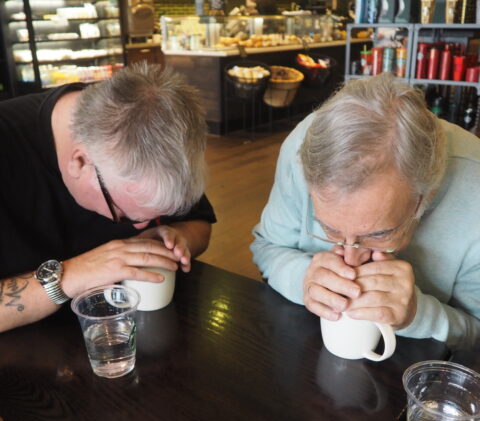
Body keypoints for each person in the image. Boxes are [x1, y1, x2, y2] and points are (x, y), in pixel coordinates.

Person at [251, 73, 480, 350]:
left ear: (427, 196)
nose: (350, 258)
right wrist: (304, 278)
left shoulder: (474, 190)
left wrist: (418, 315)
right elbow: (266, 245)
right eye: (330, 229)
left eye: (380, 233)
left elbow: (475, 335)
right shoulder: (302, 149)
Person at [0, 62, 216, 332]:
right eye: (125, 214)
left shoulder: (156, 136)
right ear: (79, 162)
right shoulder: (10, 146)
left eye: (152, 216)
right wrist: (70, 275)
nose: (138, 227)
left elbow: (199, 224)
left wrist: (176, 239)